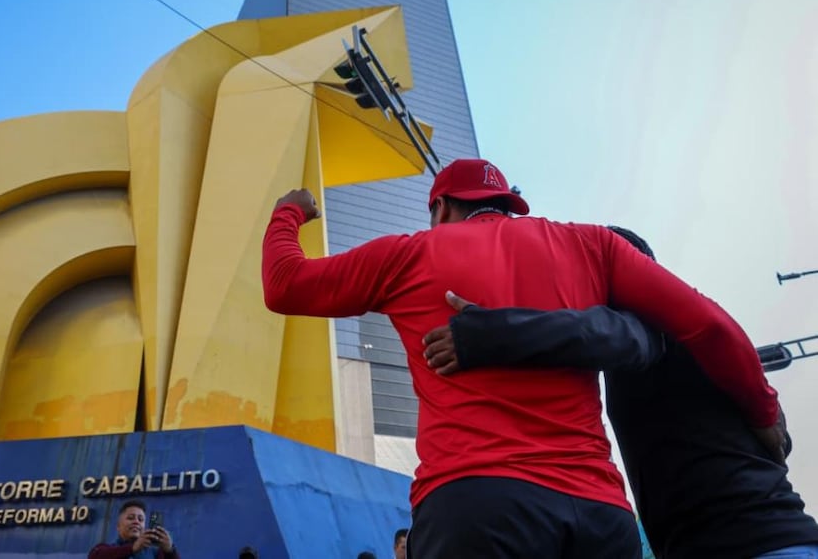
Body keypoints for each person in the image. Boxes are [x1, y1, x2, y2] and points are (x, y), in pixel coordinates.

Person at [261, 158, 781, 559]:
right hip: (599, 515)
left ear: (441, 207)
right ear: (506, 204)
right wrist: (763, 416)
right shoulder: (592, 245)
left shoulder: (408, 254)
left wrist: (291, 211)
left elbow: (284, 285)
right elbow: (711, 325)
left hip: (476, 507)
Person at [421, 226, 818, 558]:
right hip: (771, 539)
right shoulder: (707, 343)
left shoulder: (653, 328)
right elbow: (781, 446)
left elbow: (588, 333)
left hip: (748, 544)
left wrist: (490, 333)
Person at [88, 499, 179, 559]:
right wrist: (132, 548)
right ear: (118, 526)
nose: (136, 522)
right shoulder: (104, 550)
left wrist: (170, 551)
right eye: (131, 518)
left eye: (141, 519)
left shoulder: (155, 553)